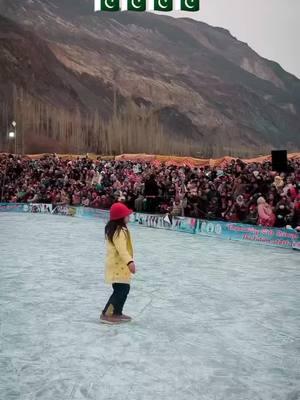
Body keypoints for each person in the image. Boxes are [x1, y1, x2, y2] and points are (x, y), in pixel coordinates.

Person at [100, 203, 136, 325]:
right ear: (121, 217)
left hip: (120, 266)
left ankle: (117, 312)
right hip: (118, 266)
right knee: (120, 290)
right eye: (127, 215)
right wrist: (130, 262)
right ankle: (107, 313)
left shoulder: (120, 230)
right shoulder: (119, 232)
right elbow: (122, 250)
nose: (129, 216)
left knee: (123, 289)